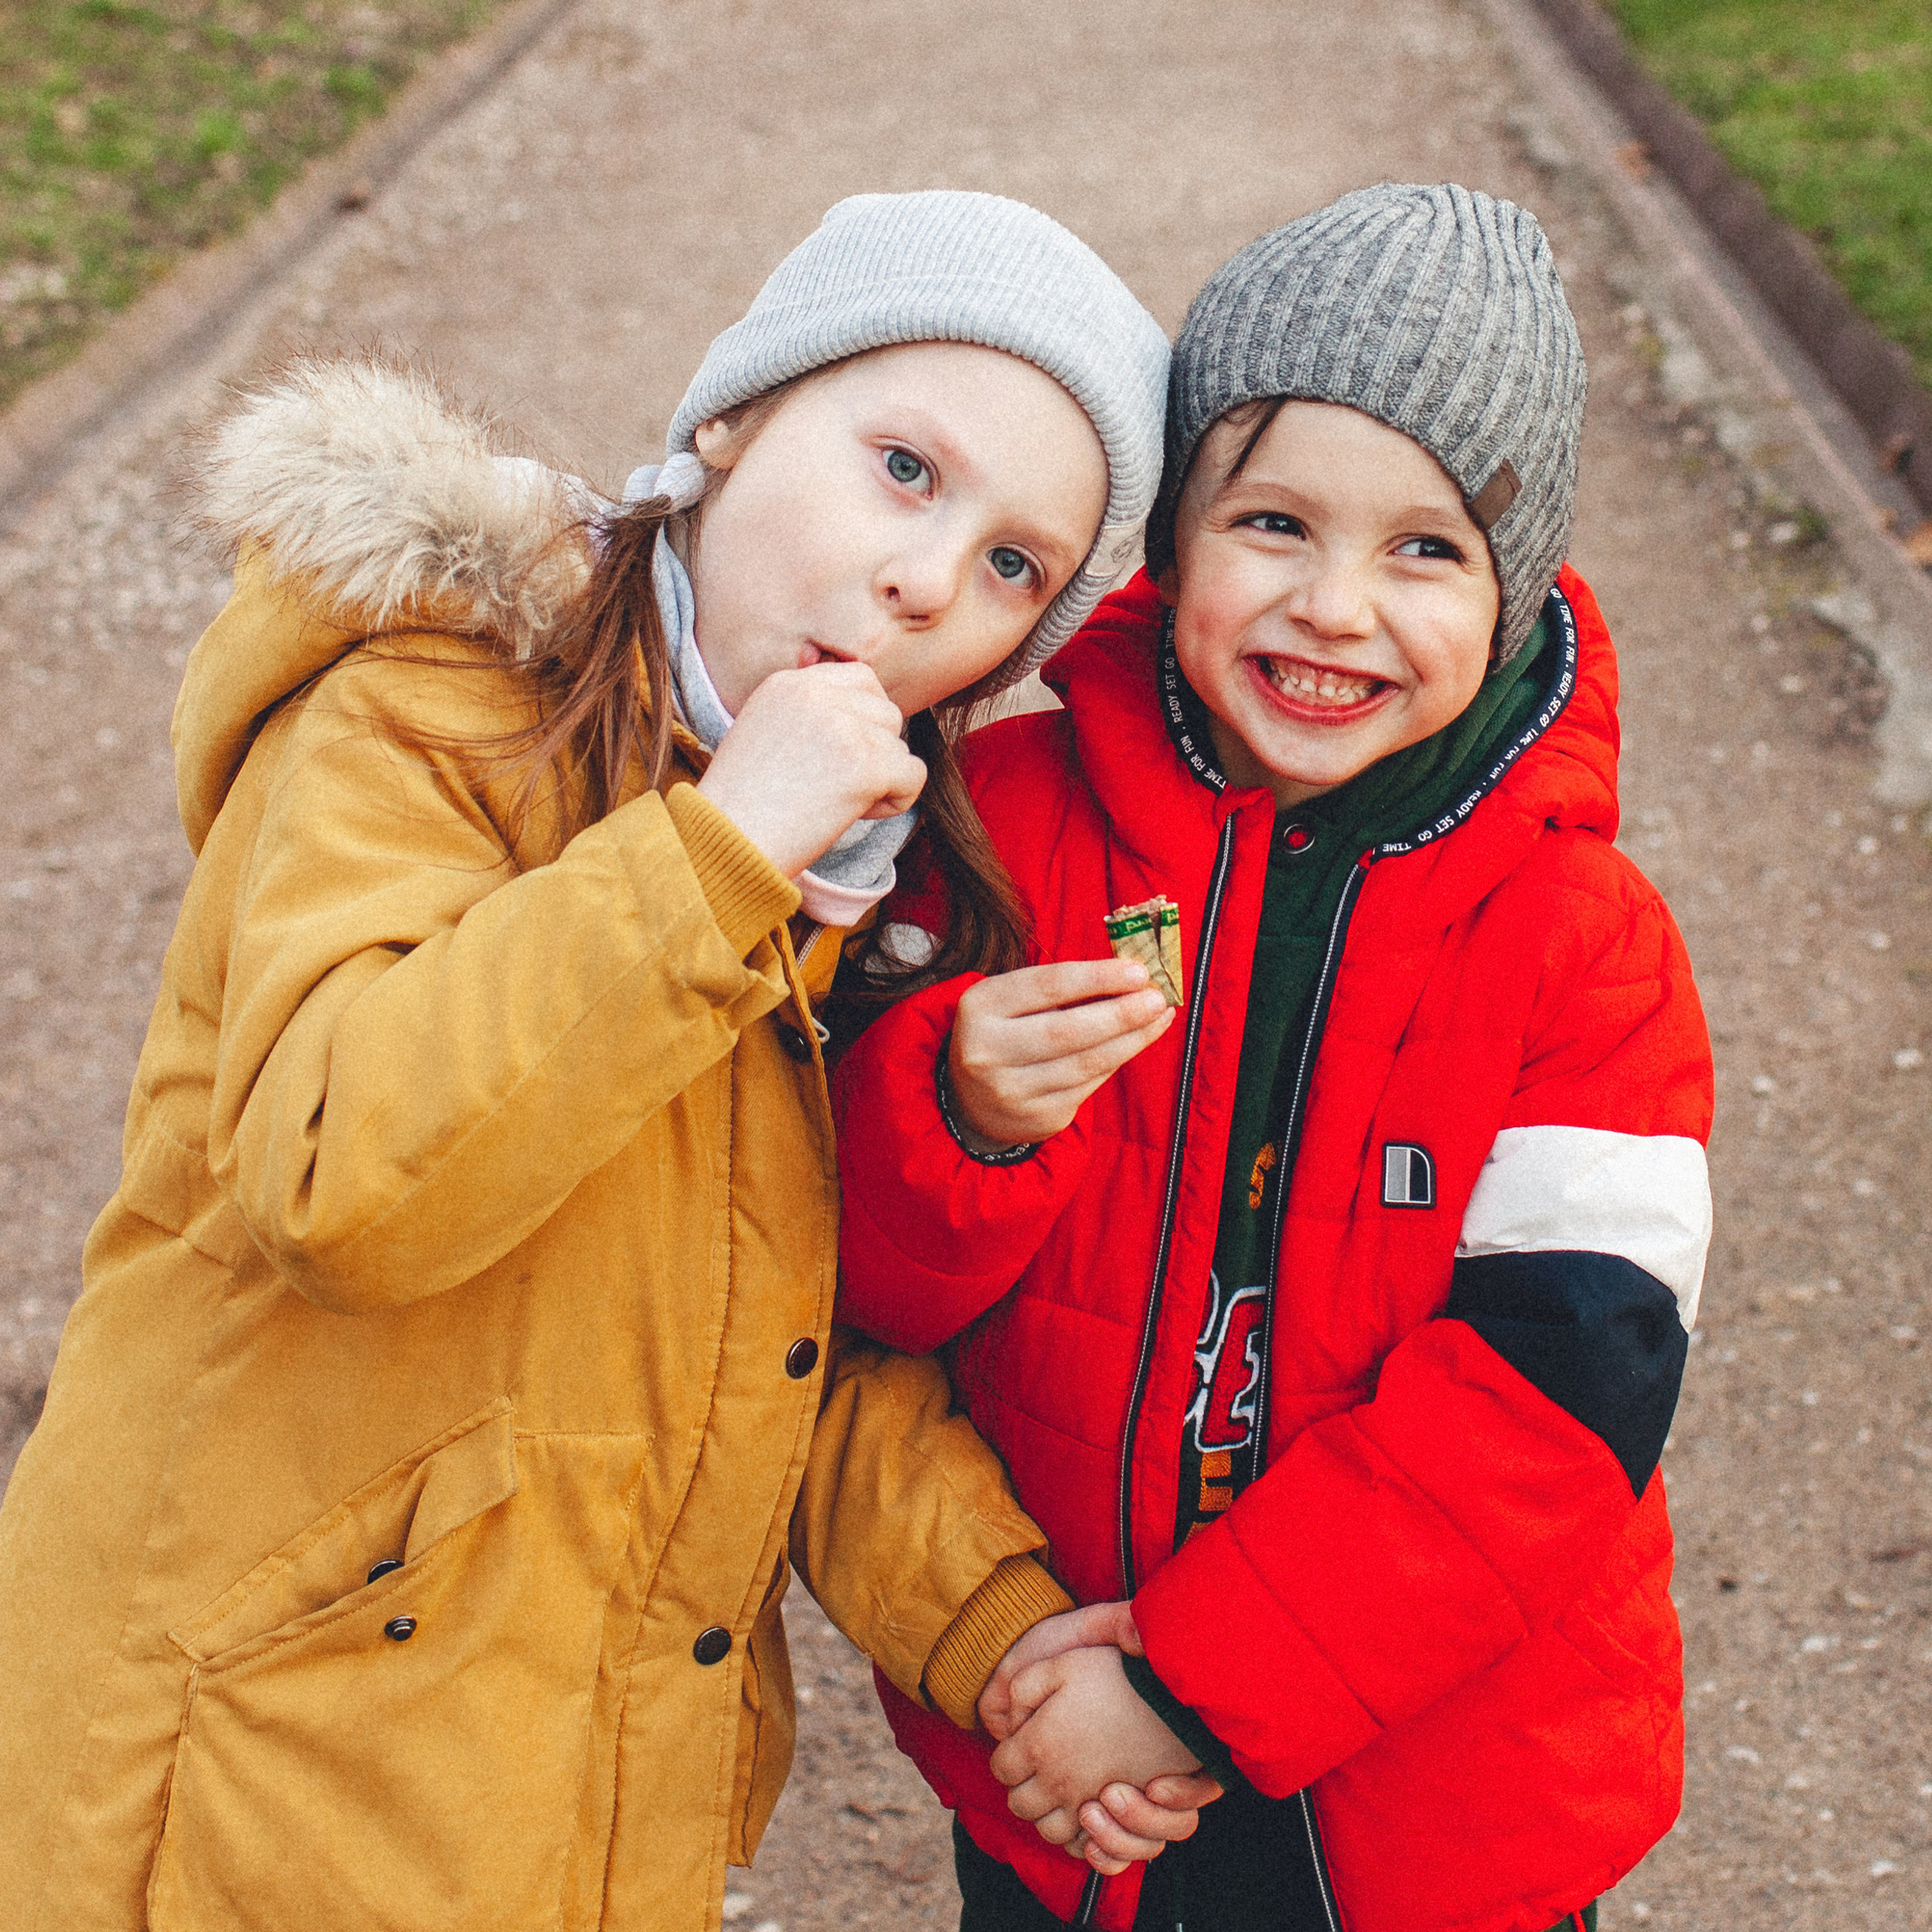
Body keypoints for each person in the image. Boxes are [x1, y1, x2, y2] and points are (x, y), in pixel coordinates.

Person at [0, 190, 1214, 1932]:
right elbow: (344, 1175)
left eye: (1014, 563)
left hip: (548, 1805)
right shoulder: (427, 713)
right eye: (902, 466)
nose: (929, 577)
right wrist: (718, 853)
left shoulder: (842, 873)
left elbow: (780, 1342)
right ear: (729, 417)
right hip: (234, 1785)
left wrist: (997, 1624)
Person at [833, 183, 1715, 1932]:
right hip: (1055, 1757)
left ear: (1515, 577)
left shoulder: (1581, 941)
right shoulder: (1010, 823)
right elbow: (852, 1276)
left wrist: (1178, 1685)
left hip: (1426, 1798)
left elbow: (1553, 1395)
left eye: (1424, 549)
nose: (1332, 608)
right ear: (1171, 537)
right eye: (1273, 521)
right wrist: (952, 1111)